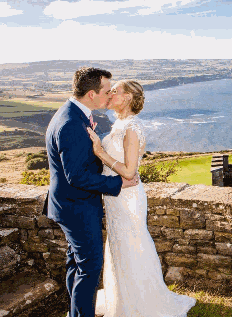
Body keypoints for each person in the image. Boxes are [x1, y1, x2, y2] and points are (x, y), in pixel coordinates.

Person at [86, 80, 196, 317]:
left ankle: (142, 303)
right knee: (118, 245)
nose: (110, 93)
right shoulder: (120, 123)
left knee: (132, 245)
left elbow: (129, 172)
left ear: (126, 98)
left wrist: (100, 151)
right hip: (114, 197)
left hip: (127, 198)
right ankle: (122, 298)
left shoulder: (132, 128)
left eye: (115, 91)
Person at [44, 67, 139, 317]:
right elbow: (76, 177)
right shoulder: (71, 123)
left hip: (69, 204)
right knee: (89, 268)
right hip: (77, 206)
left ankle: (76, 311)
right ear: (91, 94)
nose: (110, 95)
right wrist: (117, 184)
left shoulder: (74, 114)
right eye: (107, 91)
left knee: (76, 264)